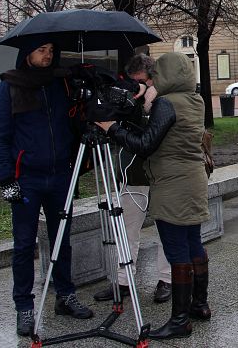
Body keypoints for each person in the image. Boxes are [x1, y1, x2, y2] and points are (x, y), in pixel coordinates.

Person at [96, 52, 210, 339]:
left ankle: (180, 320)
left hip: (172, 184)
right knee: (193, 243)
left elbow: (145, 144)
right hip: (193, 180)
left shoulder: (166, 103)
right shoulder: (195, 99)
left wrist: (113, 129)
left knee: (176, 250)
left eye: (157, 74)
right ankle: (200, 305)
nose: (154, 78)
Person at [0, 39, 94, 337]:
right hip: (27, 179)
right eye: (41, 50)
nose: (47, 55)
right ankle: (24, 306)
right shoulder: (9, 87)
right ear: (27, 54)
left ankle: (65, 295)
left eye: (51, 50)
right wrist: (6, 179)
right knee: (24, 244)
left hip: (60, 175)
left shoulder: (59, 85)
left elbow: (73, 123)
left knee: (62, 239)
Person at [91, 53, 173, 305]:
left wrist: (152, 99)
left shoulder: (167, 98)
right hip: (132, 170)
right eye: (133, 82)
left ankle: (166, 280)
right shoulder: (128, 97)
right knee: (127, 230)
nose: (138, 87)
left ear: (153, 77)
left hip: (161, 173)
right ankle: (123, 281)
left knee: (166, 229)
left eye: (142, 81)